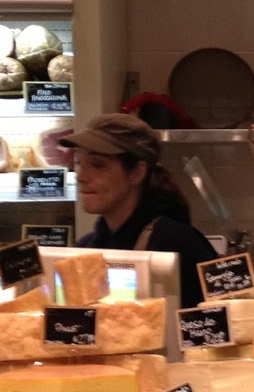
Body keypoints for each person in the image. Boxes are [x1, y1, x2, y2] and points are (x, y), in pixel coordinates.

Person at [61, 113, 218, 306]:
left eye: (97, 165)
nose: (80, 176)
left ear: (137, 172)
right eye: (78, 163)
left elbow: (223, 317)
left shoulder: (180, 244)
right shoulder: (84, 248)